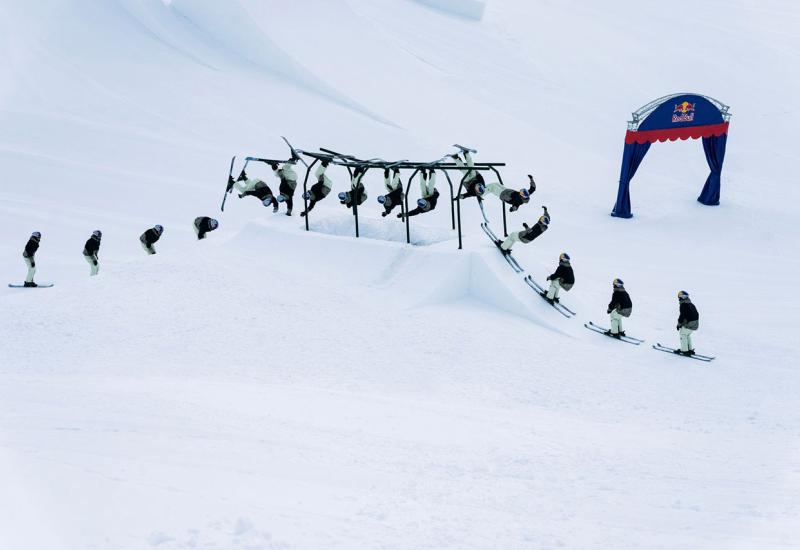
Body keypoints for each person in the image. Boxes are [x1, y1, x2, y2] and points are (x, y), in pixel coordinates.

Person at [676, 290, 700, 356]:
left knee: (683, 334)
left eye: (681, 296)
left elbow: (682, 316)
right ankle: (689, 349)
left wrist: (679, 324)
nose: (680, 297)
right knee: (687, 335)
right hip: (695, 323)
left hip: (691, 323)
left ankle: (685, 351)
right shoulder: (691, 304)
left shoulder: (683, 305)